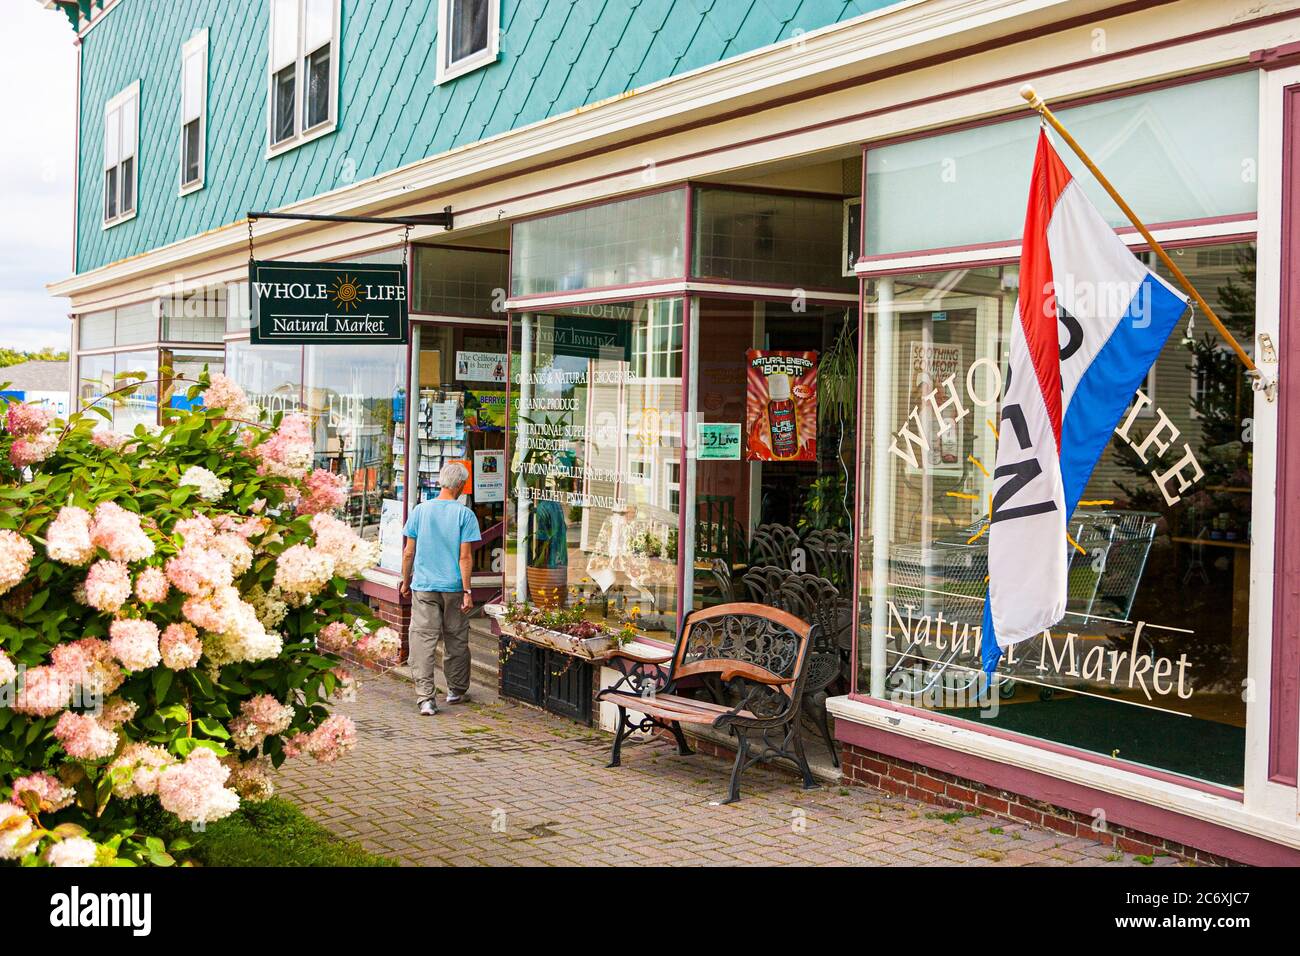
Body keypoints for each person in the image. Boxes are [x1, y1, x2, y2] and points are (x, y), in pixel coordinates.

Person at [401, 461, 481, 715]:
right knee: (456, 637)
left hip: (424, 586)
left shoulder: (420, 511)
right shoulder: (465, 515)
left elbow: (408, 552)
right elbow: (465, 557)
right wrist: (468, 591)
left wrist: (405, 580)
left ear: (441, 482)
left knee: (423, 640)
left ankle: (426, 698)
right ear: (460, 486)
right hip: (453, 587)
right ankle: (456, 690)